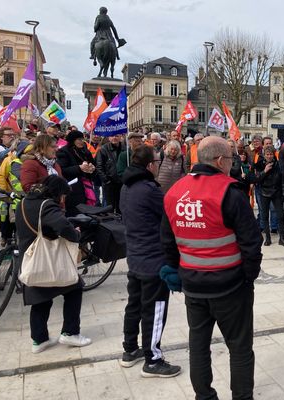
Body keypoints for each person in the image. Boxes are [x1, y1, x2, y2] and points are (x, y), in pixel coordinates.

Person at [162, 136, 262, 400]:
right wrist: (248, 278)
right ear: (220, 161)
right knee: (240, 347)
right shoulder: (230, 191)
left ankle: (204, 396)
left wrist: (175, 271)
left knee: (198, 345)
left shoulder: (174, 191)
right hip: (230, 285)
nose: (232, 164)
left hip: (193, 285)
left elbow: (167, 240)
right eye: (230, 159)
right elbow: (252, 242)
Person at [119, 146, 181, 377]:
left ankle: (129, 349)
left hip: (135, 256)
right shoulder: (149, 190)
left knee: (134, 304)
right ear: (149, 166)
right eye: (158, 160)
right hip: (153, 259)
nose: (160, 163)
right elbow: (170, 216)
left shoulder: (127, 186)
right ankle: (153, 359)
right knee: (155, 309)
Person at [15, 175, 92, 353]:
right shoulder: (47, 205)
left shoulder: (24, 202)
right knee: (75, 288)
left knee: (40, 299)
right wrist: (76, 234)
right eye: (63, 196)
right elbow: (63, 227)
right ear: (57, 193)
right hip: (48, 259)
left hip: (31, 260)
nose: (63, 200)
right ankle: (70, 333)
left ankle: (39, 340)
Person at [253, 145, 284, 247]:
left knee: (280, 215)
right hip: (264, 192)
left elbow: (283, 180)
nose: (269, 156)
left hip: (276, 192)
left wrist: (283, 194)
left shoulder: (279, 164)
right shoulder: (259, 164)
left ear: (274, 155)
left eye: (271, 154)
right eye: (267, 154)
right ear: (264, 155)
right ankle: (267, 238)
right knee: (264, 216)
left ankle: (282, 238)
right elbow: (256, 179)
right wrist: (265, 171)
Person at [56, 131, 96, 217]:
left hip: (86, 186)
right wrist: (79, 168)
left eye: (83, 139)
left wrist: (92, 168)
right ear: (72, 140)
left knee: (86, 211)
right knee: (74, 213)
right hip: (72, 188)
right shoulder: (63, 151)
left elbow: (93, 164)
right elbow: (62, 170)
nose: (82, 141)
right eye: (79, 139)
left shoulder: (85, 151)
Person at [95, 134, 124, 213]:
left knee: (121, 207)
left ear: (120, 137)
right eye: (112, 136)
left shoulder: (125, 148)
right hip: (109, 183)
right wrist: (106, 180)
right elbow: (99, 167)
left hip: (122, 182)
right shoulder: (103, 149)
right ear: (109, 137)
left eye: (117, 136)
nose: (114, 137)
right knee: (109, 207)